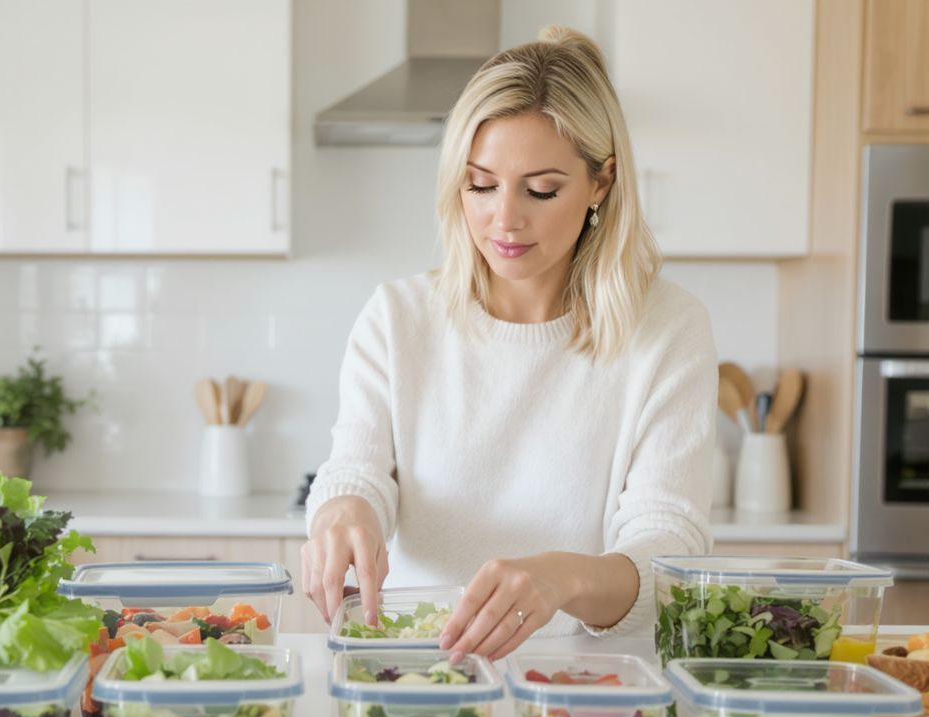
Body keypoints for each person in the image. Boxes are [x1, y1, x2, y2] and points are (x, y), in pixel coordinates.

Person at [300, 27, 717, 663]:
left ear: (601, 182)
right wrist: (342, 514)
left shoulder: (667, 330)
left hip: (586, 689)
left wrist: (564, 577)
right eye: (480, 185)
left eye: (541, 189)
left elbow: (667, 552)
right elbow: (359, 470)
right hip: (417, 675)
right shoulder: (397, 317)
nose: (505, 220)